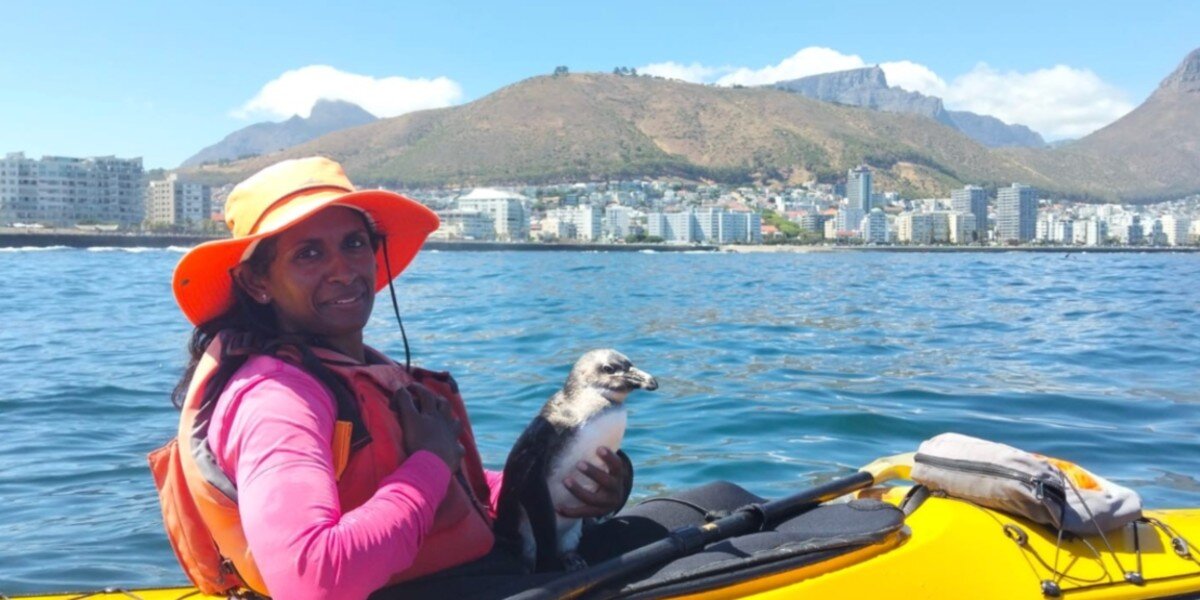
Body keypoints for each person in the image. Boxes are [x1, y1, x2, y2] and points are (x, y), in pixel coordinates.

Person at [151, 156, 632, 600]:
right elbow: (312, 580)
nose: (343, 270)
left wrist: (574, 486)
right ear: (257, 281)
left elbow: (456, 491)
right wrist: (430, 462)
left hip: (463, 574)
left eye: (354, 244)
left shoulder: (354, 370)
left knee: (678, 511)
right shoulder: (276, 400)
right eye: (308, 253)